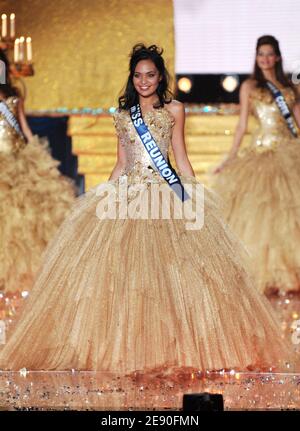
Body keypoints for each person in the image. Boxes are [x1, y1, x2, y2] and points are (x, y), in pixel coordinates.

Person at [0, 44, 296, 375]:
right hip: (129, 196)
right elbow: (121, 162)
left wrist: (192, 197)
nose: (144, 81)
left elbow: (180, 157)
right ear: (132, 78)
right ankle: (127, 352)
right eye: (138, 76)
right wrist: (105, 198)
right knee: (126, 277)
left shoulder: (174, 109)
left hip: (165, 194)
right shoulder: (123, 115)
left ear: (160, 76)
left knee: (174, 276)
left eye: (150, 75)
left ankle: (173, 348)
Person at [213, 35, 300, 296]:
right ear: (256, 56)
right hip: (261, 152)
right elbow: (241, 125)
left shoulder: (291, 87)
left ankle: (289, 274)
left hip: (289, 151)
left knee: (289, 217)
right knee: (262, 216)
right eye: (260, 53)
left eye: (269, 53)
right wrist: (230, 156)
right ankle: (267, 275)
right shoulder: (249, 86)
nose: (265, 58)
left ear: (277, 57)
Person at [0, 49, 75, 295]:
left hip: (19, 157)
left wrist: (37, 153)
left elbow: (24, 128)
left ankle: (20, 289)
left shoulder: (14, 95)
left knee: (27, 218)